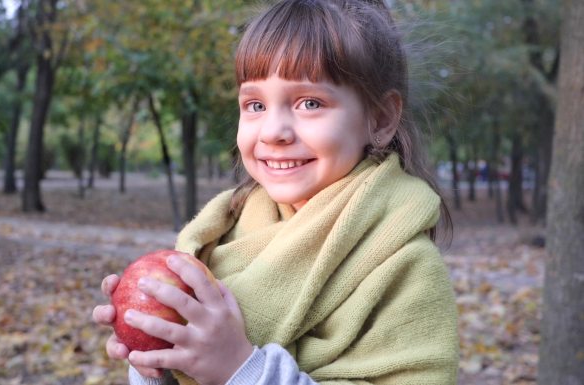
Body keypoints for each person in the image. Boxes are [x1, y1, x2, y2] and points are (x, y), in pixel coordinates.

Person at [92, 0, 459, 384]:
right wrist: (158, 361)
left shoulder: (407, 268)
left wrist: (240, 370)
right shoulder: (218, 237)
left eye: (310, 102)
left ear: (380, 120)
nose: (272, 131)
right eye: (254, 104)